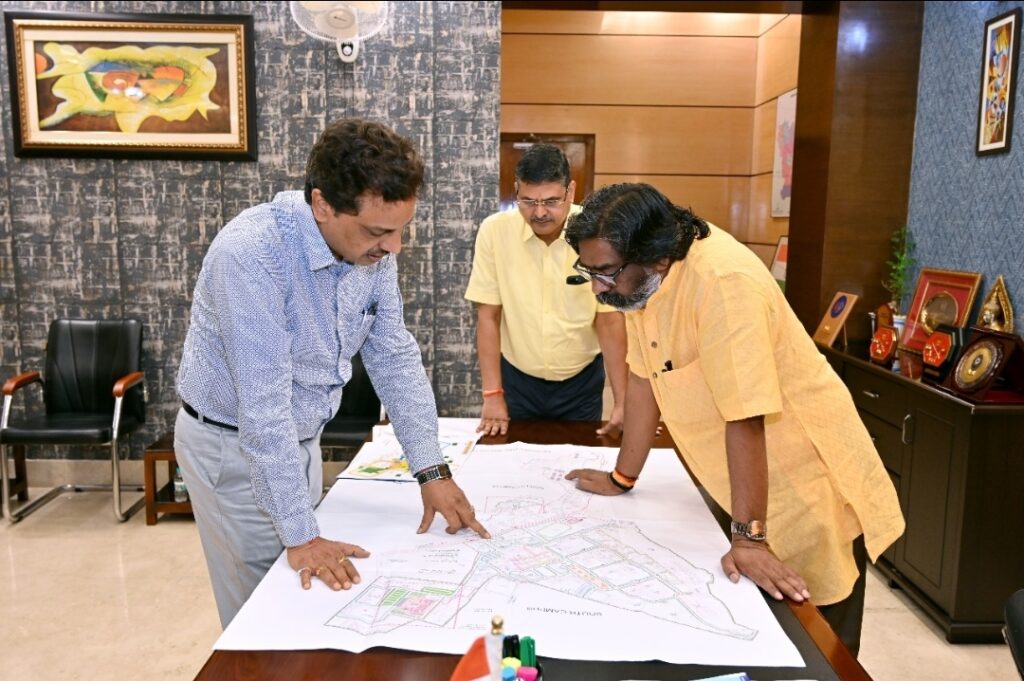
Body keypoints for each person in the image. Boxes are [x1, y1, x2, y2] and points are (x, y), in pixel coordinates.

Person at [562, 182, 904, 656]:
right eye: (589, 271)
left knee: (816, 644)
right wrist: (622, 477)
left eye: (606, 273)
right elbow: (644, 379)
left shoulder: (724, 284)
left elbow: (746, 417)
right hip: (740, 485)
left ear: (656, 258)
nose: (598, 287)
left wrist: (750, 540)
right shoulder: (642, 284)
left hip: (800, 483)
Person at [175, 119, 489, 628]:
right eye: (379, 232)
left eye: (401, 229)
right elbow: (263, 409)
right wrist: (301, 535)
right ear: (322, 205)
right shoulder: (251, 255)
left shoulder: (371, 251)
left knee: (308, 597)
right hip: (233, 449)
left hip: (299, 440)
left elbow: (395, 358)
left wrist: (432, 470)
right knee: (264, 609)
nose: (394, 247)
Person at [464, 144, 627, 437]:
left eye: (551, 201)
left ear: (570, 191)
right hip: (517, 381)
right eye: (528, 201)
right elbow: (488, 316)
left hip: (581, 382)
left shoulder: (600, 232)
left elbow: (609, 321)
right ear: (516, 191)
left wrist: (623, 401)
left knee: (578, 457)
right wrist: (492, 394)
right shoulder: (495, 231)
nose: (539, 213)